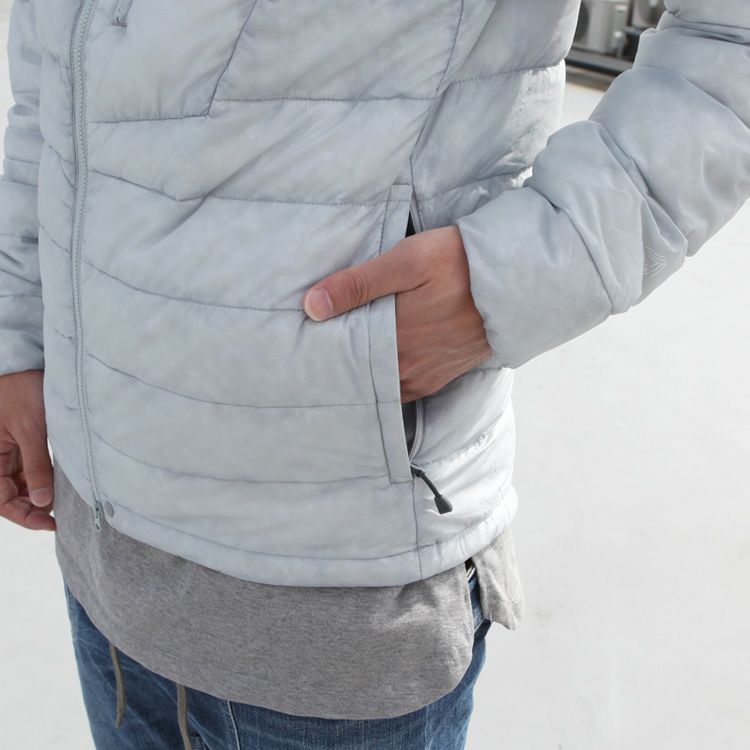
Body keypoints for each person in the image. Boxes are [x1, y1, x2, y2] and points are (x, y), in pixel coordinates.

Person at [0, 1, 747, 747]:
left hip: (335, 594)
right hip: (105, 554)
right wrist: (18, 326)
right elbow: (48, 68)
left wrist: (520, 272)